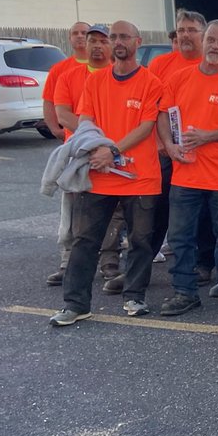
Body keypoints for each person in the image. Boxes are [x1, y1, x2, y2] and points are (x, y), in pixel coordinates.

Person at [49, 21, 164, 326]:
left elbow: (145, 127)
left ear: (137, 42)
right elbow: (85, 121)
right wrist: (96, 150)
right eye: (113, 37)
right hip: (100, 176)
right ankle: (76, 304)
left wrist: (111, 151)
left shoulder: (151, 82)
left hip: (140, 177)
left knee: (141, 241)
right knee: (85, 240)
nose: (117, 41)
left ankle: (134, 297)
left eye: (123, 36)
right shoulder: (96, 82)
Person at [156, 20, 218, 315]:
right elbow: (163, 116)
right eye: (211, 40)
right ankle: (185, 292)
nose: (215, 46)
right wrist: (171, 148)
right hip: (185, 173)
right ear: (203, 42)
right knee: (180, 237)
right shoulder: (179, 79)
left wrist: (207, 136)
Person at [47, 23, 112, 286]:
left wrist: (107, 145)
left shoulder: (119, 75)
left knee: (113, 210)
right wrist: (94, 140)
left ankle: (110, 262)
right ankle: (68, 262)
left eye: (102, 40)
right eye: (92, 40)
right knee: (72, 210)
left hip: (111, 153)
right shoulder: (68, 77)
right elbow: (63, 114)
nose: (97, 45)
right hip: (78, 154)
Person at [147, 9, 207, 265]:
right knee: (157, 211)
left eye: (191, 30)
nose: (185, 35)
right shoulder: (161, 65)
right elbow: (152, 107)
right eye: (181, 30)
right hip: (165, 150)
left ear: (203, 34)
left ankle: (203, 265)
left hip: (204, 153)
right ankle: (141, 267)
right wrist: (163, 144)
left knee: (203, 214)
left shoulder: (214, 64)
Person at [42, 21, 90, 140]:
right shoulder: (59, 69)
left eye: (84, 33)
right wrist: (55, 129)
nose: (79, 36)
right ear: (70, 39)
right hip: (73, 137)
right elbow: (48, 101)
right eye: (75, 33)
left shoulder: (107, 67)